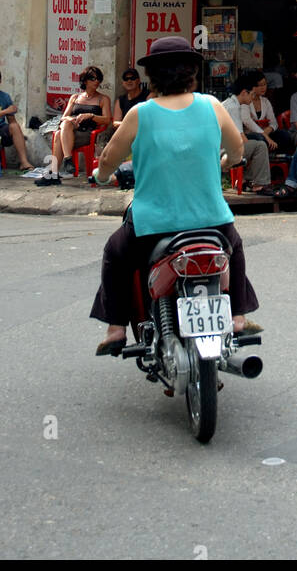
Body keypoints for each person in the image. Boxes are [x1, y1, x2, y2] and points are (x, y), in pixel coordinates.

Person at [89, 35, 259, 354]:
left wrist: (100, 175)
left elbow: (110, 157)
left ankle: (115, 328)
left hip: (152, 228)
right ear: (191, 73)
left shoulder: (140, 113)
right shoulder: (212, 106)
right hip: (212, 223)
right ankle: (237, 317)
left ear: (152, 77)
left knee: (115, 252)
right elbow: (237, 148)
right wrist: (229, 161)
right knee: (233, 246)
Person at [37, 67, 112, 184]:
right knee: (63, 126)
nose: (96, 81)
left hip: (87, 133)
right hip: (71, 130)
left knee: (58, 135)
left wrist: (91, 115)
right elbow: (64, 117)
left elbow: (107, 120)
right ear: (85, 80)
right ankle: (66, 160)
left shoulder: (103, 99)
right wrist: (74, 119)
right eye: (93, 78)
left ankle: (56, 172)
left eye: (99, 79)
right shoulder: (75, 97)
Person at [220, 74, 273, 194]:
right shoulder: (233, 107)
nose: (253, 97)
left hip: (223, 147)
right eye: (252, 94)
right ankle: (259, 184)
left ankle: (244, 180)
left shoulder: (230, 103)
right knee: (260, 146)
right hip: (223, 151)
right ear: (244, 92)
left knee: (255, 144)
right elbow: (241, 138)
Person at [248, 74, 295, 156]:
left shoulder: (265, 101)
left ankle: (279, 158)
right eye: (260, 85)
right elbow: (247, 123)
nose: (263, 88)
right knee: (260, 139)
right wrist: (262, 134)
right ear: (253, 87)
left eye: (265, 84)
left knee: (284, 135)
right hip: (251, 133)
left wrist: (265, 132)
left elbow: (274, 123)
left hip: (265, 132)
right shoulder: (246, 102)